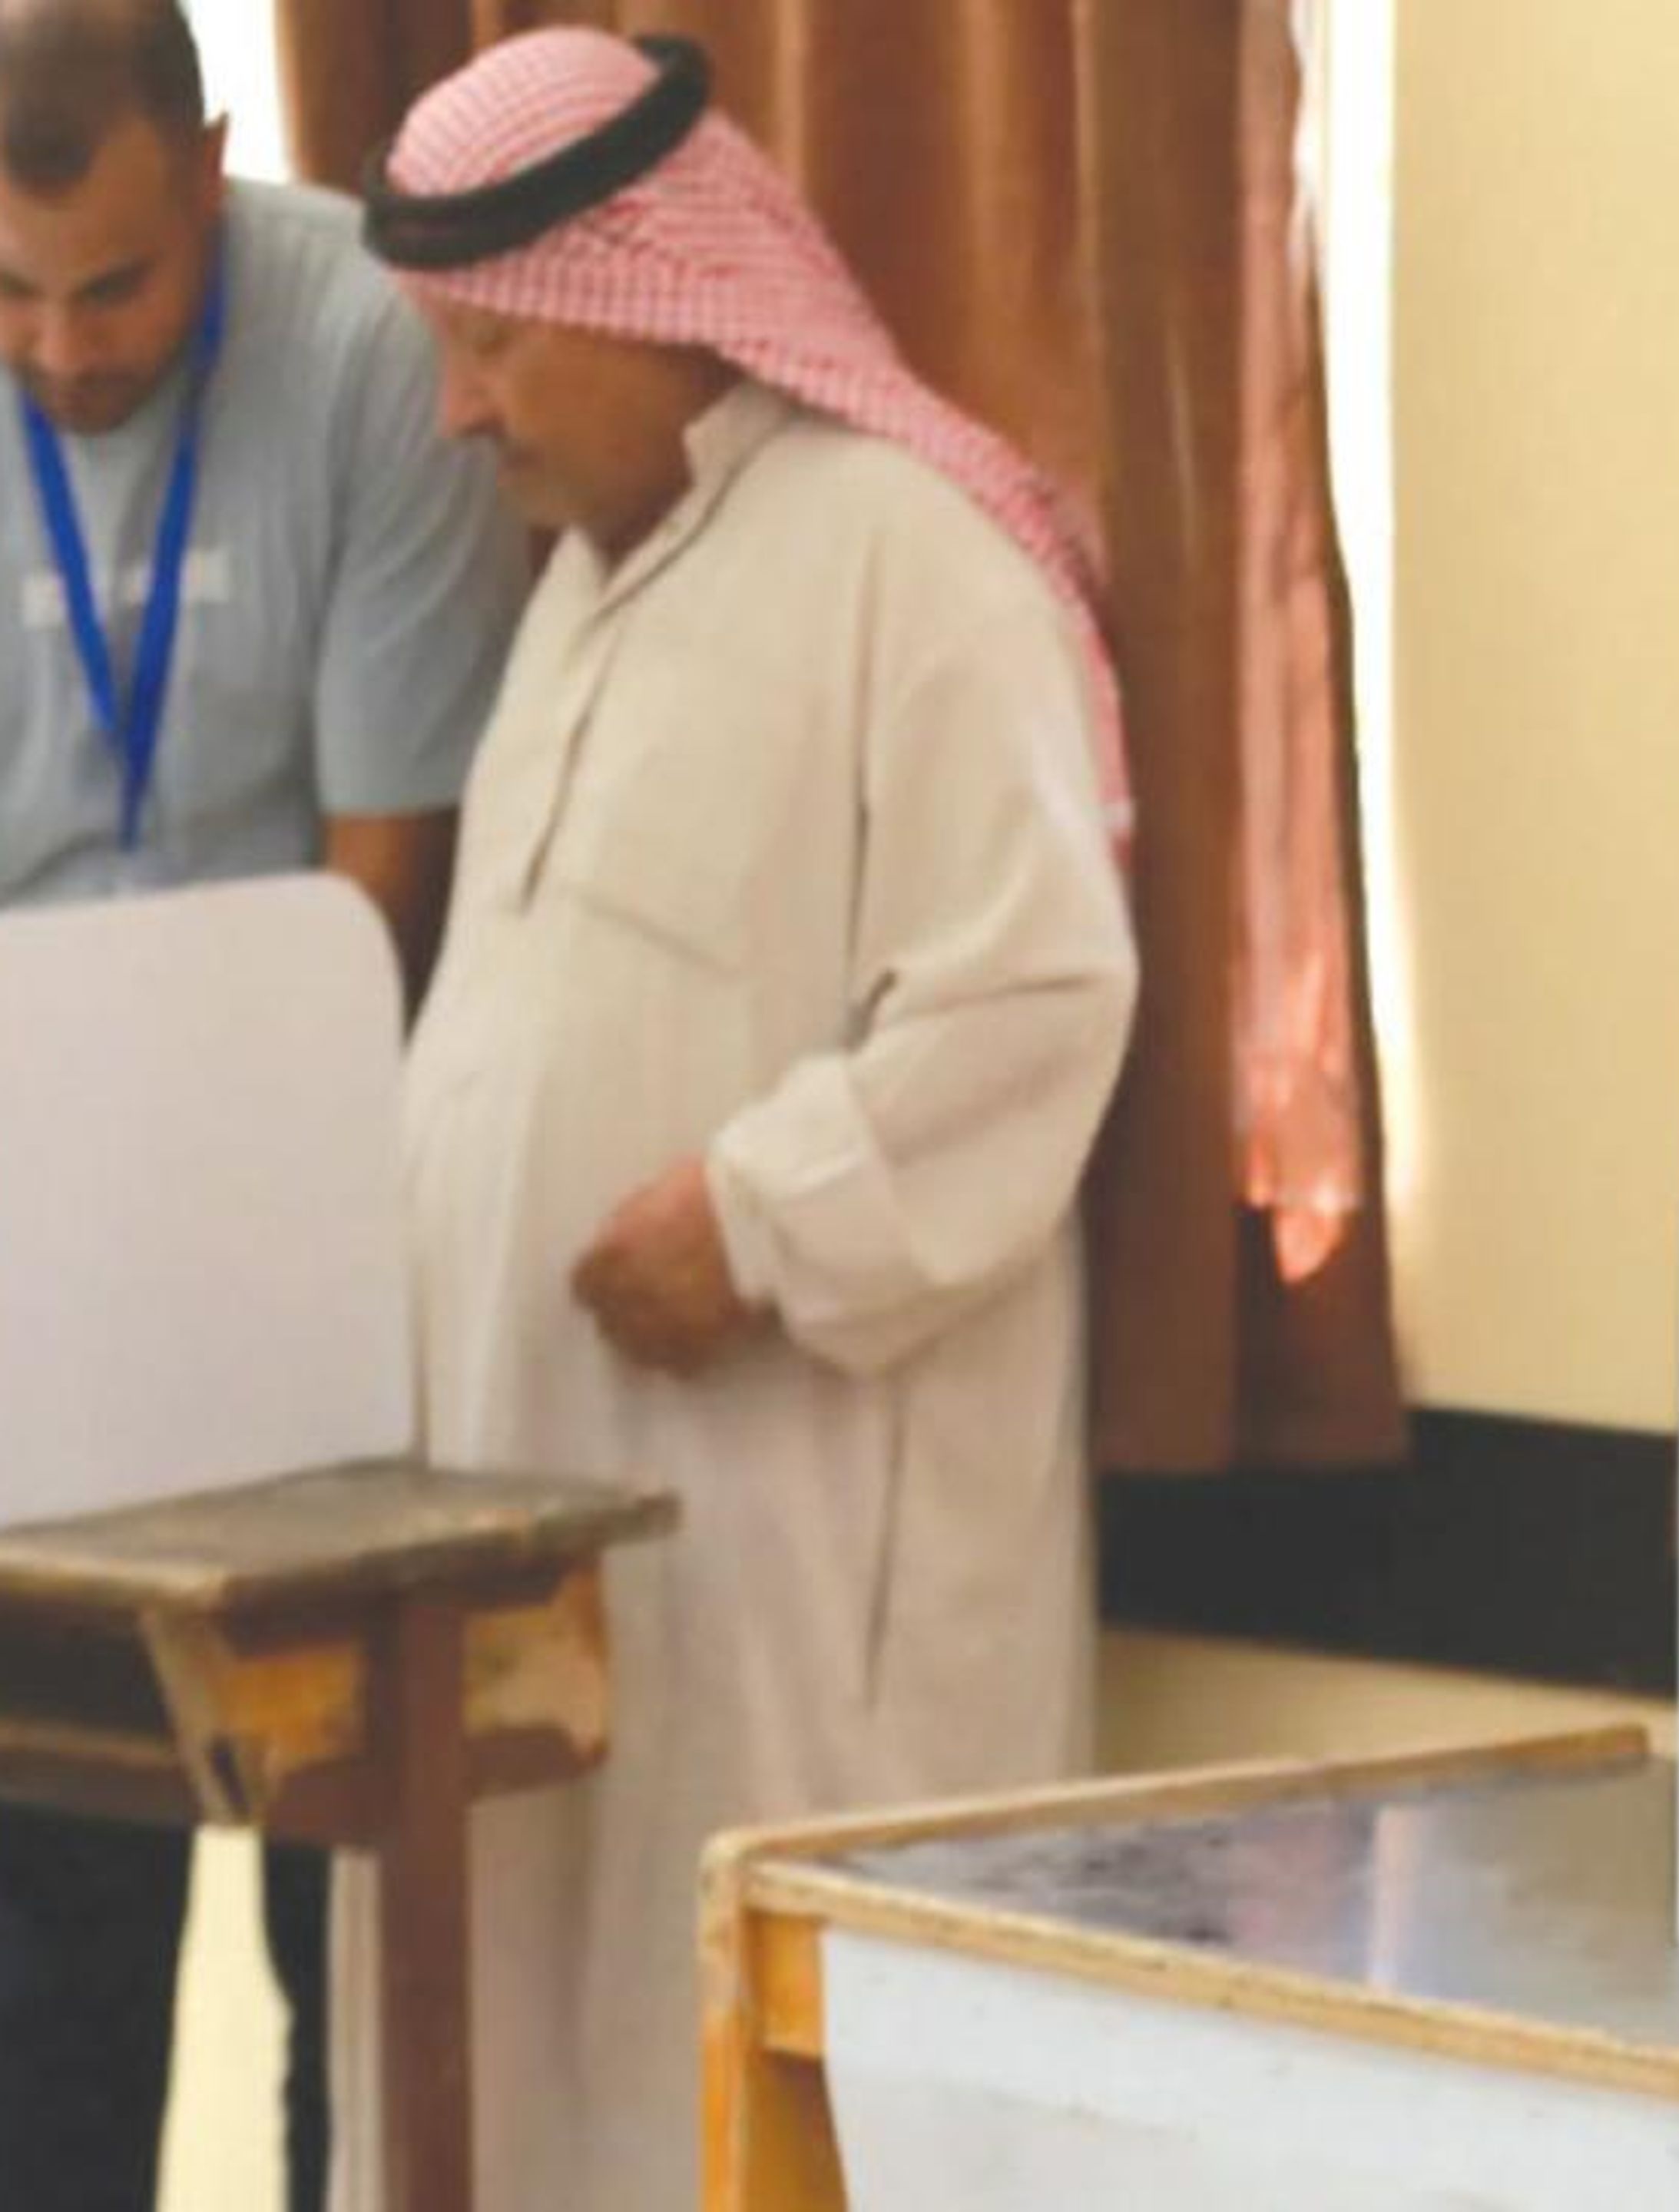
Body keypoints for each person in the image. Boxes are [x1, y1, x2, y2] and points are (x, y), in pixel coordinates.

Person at [337, 28, 1138, 2210]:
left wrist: (765, 1222)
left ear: (647, 294)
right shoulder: (584, 596)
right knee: (515, 2074)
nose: (458, 410)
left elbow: (1035, 1002)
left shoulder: (911, 562)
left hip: (785, 1567)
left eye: (494, 342)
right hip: (531, 1556)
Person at [0, 5, 524, 2210]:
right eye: (11, 293)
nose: (62, 353)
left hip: (309, 1248)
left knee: (346, 1955)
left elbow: (381, 887)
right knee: (43, 1975)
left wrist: (193, 1186)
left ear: (211, 171)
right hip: (26, 1278)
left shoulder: (373, 353)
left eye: (114, 286)